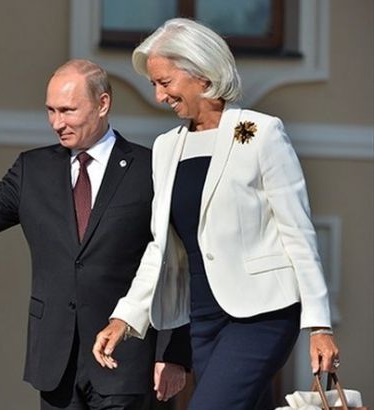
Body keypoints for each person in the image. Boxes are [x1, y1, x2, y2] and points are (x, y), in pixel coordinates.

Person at [0, 59, 190, 410]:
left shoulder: (149, 168)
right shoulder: (32, 170)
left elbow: (175, 262)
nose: (56, 123)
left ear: (103, 104)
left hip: (127, 359)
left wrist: (174, 353)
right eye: (50, 110)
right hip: (55, 363)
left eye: (67, 110)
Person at [92, 18, 340, 410]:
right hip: (203, 320)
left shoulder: (260, 133)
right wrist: (124, 317)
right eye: (154, 84)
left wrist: (319, 324)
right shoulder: (166, 147)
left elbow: (298, 232)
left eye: (165, 82)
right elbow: (161, 248)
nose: (159, 96)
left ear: (202, 74)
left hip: (263, 315)